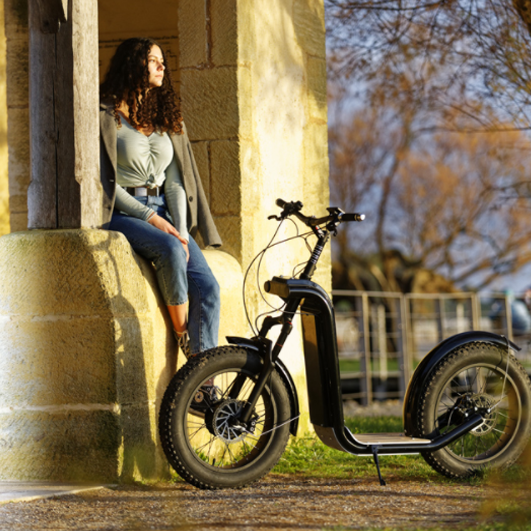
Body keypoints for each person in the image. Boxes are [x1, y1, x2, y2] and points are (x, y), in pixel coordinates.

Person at [99, 37, 221, 358]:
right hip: (122, 212)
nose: (162, 66)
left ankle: (203, 382)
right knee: (168, 249)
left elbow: (176, 184)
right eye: (153, 60)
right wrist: (151, 218)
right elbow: (105, 185)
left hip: (165, 211)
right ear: (133, 64)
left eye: (162, 60)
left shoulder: (168, 119)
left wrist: (180, 229)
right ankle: (189, 347)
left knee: (208, 288)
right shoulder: (105, 116)